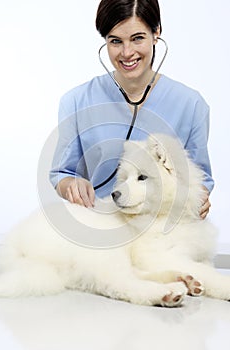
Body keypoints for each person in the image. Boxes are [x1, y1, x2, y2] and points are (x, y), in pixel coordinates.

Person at [50, 0, 213, 219]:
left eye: (137, 38)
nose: (127, 53)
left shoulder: (191, 105)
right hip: (100, 226)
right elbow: (62, 173)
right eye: (115, 41)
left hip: (160, 233)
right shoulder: (76, 101)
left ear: (156, 33)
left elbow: (199, 179)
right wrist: (71, 184)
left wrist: (199, 196)